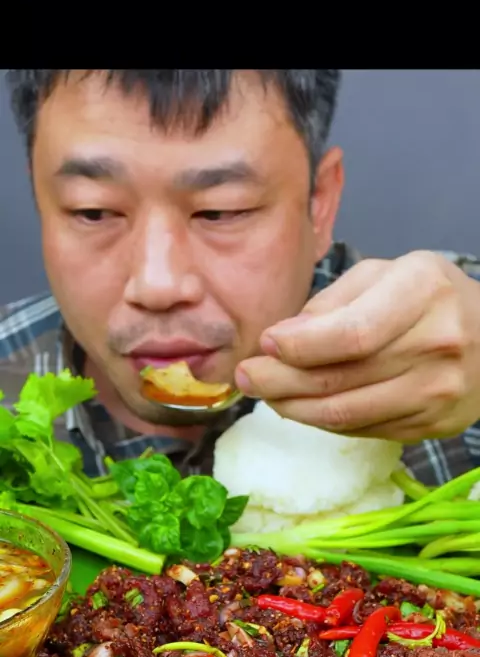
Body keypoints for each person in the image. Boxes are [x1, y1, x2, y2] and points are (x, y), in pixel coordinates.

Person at [1, 69, 480, 486]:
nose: (158, 285)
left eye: (220, 211)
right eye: (93, 211)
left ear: (319, 203)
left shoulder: (449, 342)